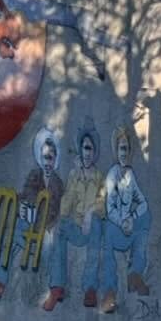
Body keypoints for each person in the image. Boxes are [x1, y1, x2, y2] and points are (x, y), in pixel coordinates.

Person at [0, 126, 62, 305]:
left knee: (51, 250)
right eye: (44, 157)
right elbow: (26, 194)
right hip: (26, 225)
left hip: (44, 228)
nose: (47, 162)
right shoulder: (34, 176)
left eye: (50, 158)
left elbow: (54, 210)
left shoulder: (57, 183)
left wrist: (39, 218)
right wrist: (20, 205)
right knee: (6, 239)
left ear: (55, 159)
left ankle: (53, 289)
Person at [44, 121, 105, 310]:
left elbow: (103, 203)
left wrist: (89, 212)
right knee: (60, 227)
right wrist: (58, 219)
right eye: (84, 148)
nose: (86, 153)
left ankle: (90, 289)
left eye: (90, 148)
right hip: (76, 228)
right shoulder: (73, 175)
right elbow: (67, 203)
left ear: (94, 152)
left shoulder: (99, 177)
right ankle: (57, 288)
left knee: (96, 222)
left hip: (90, 229)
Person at [98, 124, 151, 313]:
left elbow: (143, 202)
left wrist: (132, 217)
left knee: (147, 217)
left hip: (129, 229)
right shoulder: (112, 175)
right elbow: (109, 208)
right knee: (108, 230)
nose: (123, 153)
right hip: (116, 230)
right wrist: (122, 221)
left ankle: (135, 275)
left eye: (126, 149)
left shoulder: (131, 175)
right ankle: (110, 292)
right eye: (121, 148)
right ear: (116, 150)